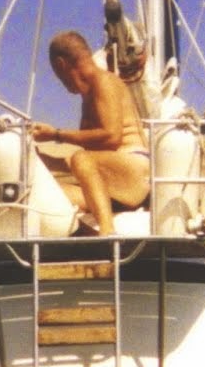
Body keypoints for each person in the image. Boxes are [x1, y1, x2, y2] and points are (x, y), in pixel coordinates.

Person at [30, 30, 150, 235]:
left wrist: (55, 135)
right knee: (50, 191)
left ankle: (107, 231)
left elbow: (112, 137)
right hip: (111, 180)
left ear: (61, 64)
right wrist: (41, 160)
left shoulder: (104, 82)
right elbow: (94, 157)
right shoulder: (88, 96)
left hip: (133, 171)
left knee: (80, 159)